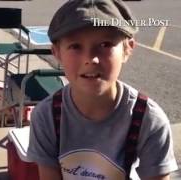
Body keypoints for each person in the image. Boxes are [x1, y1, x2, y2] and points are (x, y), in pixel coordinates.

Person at [27, 0, 178, 179]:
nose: (91, 59)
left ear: (128, 49)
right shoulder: (47, 116)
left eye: (105, 44)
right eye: (75, 46)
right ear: (57, 53)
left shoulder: (149, 120)